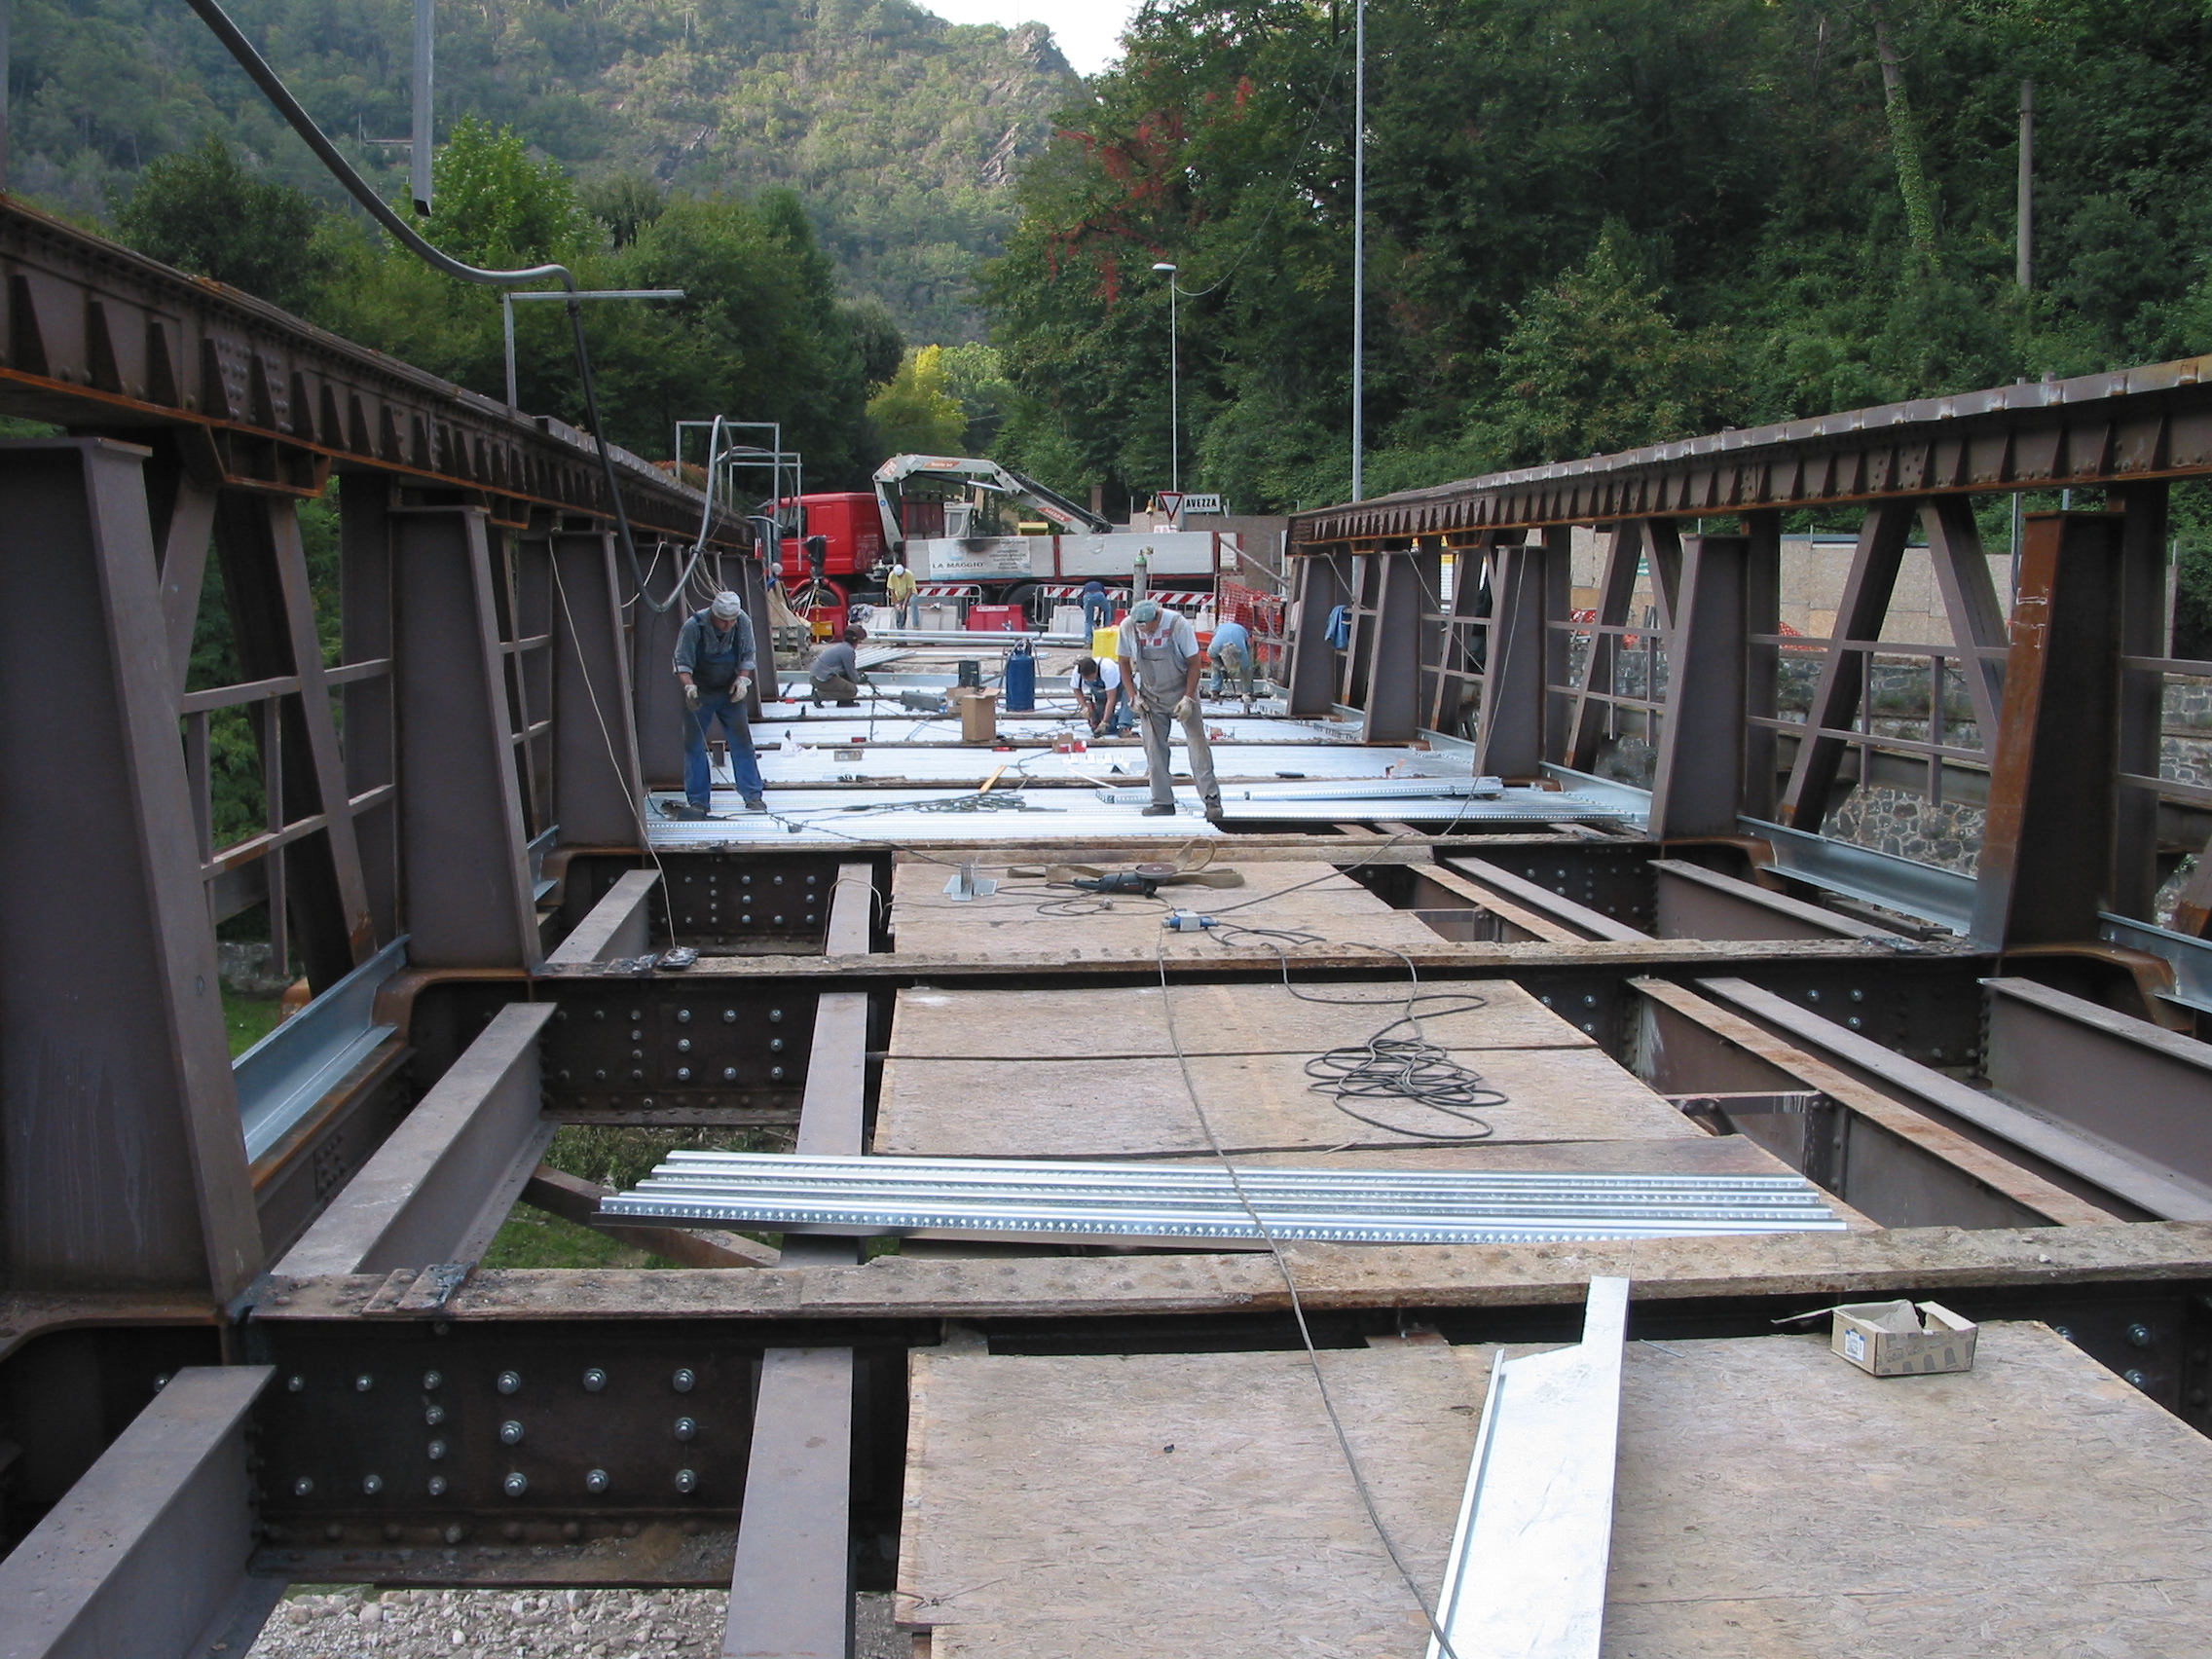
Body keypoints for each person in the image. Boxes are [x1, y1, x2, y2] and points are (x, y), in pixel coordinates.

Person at [1119, 598, 1221, 821]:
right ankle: (1162, 801)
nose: (1144, 631)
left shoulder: (1177, 624)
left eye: (1147, 626)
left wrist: (1187, 698)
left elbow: (1194, 662)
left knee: (1197, 744)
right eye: (1140, 626)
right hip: (1151, 695)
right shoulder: (1128, 627)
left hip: (1181, 690)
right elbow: (1123, 662)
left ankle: (1211, 800)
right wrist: (1133, 695)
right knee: (1154, 749)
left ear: (1157, 616)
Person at [672, 590, 766, 816]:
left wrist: (743, 680)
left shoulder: (742, 621)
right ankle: (698, 801)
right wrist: (689, 688)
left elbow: (747, 655)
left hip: (729, 691)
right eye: (723, 621)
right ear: (713, 614)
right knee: (694, 745)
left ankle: (753, 795)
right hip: (700, 691)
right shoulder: (693, 626)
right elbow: (682, 662)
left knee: (742, 742)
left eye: (731, 621)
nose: (727, 625)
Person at [1070, 654, 1133, 735]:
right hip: (1101, 694)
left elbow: (1111, 699)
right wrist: (1084, 707)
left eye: (1090, 678)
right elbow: (1076, 689)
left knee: (1129, 696)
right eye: (1086, 679)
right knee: (1102, 728)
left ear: (1095, 670)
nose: (1088, 680)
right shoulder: (1078, 671)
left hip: (1120, 687)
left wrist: (1104, 722)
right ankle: (1114, 721)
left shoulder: (1108, 669)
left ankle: (1124, 726)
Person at [810, 623, 868, 706]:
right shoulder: (848, 651)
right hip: (821, 680)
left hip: (816, 677)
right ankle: (820, 695)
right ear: (857, 641)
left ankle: (844, 702)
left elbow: (845, 672)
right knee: (852, 690)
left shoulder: (842, 647)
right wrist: (859, 679)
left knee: (846, 681)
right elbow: (851, 672)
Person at [1207, 615, 1255, 703]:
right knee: (1215, 666)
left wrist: (1245, 692)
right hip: (1220, 629)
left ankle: (1247, 691)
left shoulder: (1242, 652)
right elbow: (1211, 657)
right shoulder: (1215, 647)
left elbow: (1246, 671)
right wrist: (1221, 666)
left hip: (1241, 631)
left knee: (1246, 668)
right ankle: (1214, 690)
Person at [885, 560, 918, 628]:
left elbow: (909, 590)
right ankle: (900, 626)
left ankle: (915, 624)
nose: (900, 577)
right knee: (899, 611)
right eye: (898, 576)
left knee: (913, 601)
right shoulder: (892, 576)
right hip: (899, 594)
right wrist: (897, 604)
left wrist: (904, 604)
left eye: (901, 575)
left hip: (911, 593)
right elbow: (892, 591)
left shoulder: (909, 574)